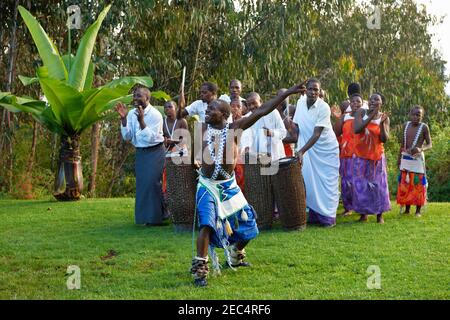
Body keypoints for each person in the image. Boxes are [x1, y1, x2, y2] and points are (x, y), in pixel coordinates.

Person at [190, 83, 304, 287]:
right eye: (206, 110)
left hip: (228, 186)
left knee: (250, 226)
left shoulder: (235, 128)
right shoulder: (203, 129)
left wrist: (286, 93)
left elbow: (262, 110)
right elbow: (198, 152)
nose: (206, 112)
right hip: (207, 186)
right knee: (207, 224)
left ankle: (235, 254)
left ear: (224, 114)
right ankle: (200, 271)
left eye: (211, 110)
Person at [115, 86, 167, 226]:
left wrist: (142, 121)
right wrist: (124, 119)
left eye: (139, 96)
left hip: (155, 151)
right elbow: (128, 136)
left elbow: (151, 138)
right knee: (143, 185)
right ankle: (145, 218)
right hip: (141, 153)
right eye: (134, 96)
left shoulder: (155, 115)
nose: (136, 98)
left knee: (152, 183)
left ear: (147, 98)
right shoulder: (131, 113)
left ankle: (156, 219)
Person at [293, 79, 339, 227]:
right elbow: (297, 127)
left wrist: (301, 151)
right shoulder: (300, 103)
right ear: (305, 90)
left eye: (316, 90)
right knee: (309, 180)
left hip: (326, 150)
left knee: (327, 183)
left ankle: (328, 217)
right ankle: (314, 214)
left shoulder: (324, 107)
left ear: (320, 92)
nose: (313, 92)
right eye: (311, 89)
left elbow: (317, 133)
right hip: (307, 147)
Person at [353, 92, 391, 223]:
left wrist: (380, 123)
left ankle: (380, 215)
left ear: (381, 103)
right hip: (361, 155)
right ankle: (364, 214)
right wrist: (371, 116)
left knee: (379, 185)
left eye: (377, 99)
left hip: (377, 156)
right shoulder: (361, 113)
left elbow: (384, 139)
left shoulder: (384, 117)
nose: (373, 101)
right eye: (371, 99)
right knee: (362, 185)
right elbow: (357, 129)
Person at [396, 105, 432, 217]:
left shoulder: (424, 127)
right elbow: (402, 144)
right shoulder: (406, 125)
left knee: (417, 184)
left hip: (417, 159)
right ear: (410, 114)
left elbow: (430, 144)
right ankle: (407, 208)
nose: (416, 117)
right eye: (414, 114)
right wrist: (399, 159)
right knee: (406, 183)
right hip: (406, 158)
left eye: (419, 115)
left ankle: (418, 211)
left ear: (422, 116)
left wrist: (420, 148)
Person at [333, 94, 363, 216]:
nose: (355, 103)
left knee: (361, 181)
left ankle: (362, 207)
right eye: (353, 101)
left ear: (362, 104)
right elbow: (334, 133)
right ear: (350, 104)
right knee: (346, 181)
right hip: (346, 154)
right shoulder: (345, 118)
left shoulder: (365, 116)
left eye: (358, 101)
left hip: (361, 154)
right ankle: (348, 207)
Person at [245, 92, 287, 161]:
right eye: (249, 105)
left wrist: (271, 133)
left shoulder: (273, 112)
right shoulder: (247, 118)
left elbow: (283, 132)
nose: (252, 106)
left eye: (254, 103)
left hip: (275, 157)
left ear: (260, 101)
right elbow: (246, 140)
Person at [276, 88, 298, 157]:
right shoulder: (276, 117)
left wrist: (278, 139)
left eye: (283, 96)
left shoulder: (286, 120)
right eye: (278, 96)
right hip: (278, 151)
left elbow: (295, 138)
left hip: (287, 152)